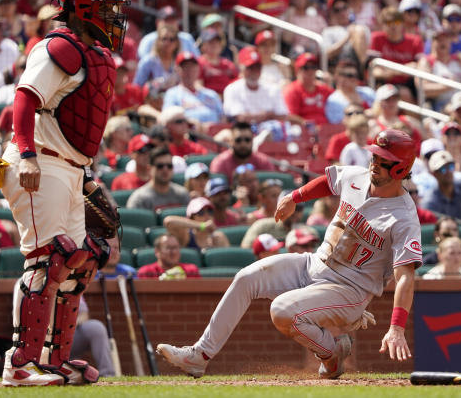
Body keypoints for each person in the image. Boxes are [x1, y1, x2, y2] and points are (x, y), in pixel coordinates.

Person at [157, 129, 422, 379]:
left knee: (282, 310)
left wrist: (397, 328)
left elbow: (405, 277)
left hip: (350, 289)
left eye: (384, 160)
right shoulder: (357, 175)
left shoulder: (404, 217)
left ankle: (331, 353)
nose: (374, 163)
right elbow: (328, 182)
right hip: (315, 264)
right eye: (374, 155)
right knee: (247, 277)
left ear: (401, 167)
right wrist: (294, 197)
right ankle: (199, 355)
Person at [0, 0, 129, 386]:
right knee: (48, 260)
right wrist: (28, 154)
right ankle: (18, 364)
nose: (115, 17)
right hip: (37, 162)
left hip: (68, 168)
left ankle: (54, 360)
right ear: (84, 8)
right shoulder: (59, 48)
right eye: (107, 9)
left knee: (80, 261)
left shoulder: (92, 54)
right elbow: (25, 98)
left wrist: (84, 176)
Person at [162, 52, 224, 125]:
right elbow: (167, 117)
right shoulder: (173, 94)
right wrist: (190, 123)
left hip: (215, 133)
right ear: (178, 70)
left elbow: (223, 117)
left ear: (198, 69)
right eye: (185, 67)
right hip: (189, 133)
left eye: (192, 67)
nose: (189, 71)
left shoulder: (211, 94)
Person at [126, 146, 190, 211]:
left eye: (169, 166)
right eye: (160, 166)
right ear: (149, 169)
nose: (165, 169)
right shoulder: (139, 199)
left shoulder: (182, 194)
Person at [210, 121, 275, 183]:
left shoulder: (263, 161)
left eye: (247, 140)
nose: (243, 144)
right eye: (238, 140)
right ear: (230, 141)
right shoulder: (220, 163)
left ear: (252, 140)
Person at [163, 197, 230, 254]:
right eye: (201, 212)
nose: (207, 216)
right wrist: (202, 226)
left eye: (210, 211)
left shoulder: (218, 236)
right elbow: (169, 222)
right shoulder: (186, 236)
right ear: (192, 217)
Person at [69, 297, 116, 377]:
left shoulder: (71, 286)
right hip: (45, 341)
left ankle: (107, 374)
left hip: (68, 336)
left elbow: (83, 315)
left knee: (96, 327)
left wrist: (69, 327)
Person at [282, 53, 333, 126]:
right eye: (306, 68)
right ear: (298, 70)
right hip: (303, 132)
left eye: (313, 67)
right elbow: (290, 117)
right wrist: (308, 125)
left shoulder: (323, 89)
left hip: (325, 130)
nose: (310, 71)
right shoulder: (292, 90)